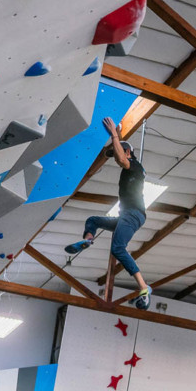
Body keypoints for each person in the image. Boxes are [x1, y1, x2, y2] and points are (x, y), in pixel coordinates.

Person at [65, 116, 152, 310]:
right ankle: (88, 240)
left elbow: (122, 157)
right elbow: (120, 154)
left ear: (128, 151)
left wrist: (114, 134)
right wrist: (118, 136)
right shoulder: (130, 167)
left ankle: (144, 288)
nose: (115, 159)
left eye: (118, 154)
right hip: (126, 215)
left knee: (118, 249)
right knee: (93, 220)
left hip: (133, 214)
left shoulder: (135, 167)